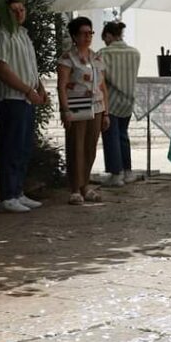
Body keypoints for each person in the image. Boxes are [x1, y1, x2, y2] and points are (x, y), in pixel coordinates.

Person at [0, 0, 48, 213]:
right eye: (14, 10)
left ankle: (18, 191)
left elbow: (30, 67)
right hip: (12, 99)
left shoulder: (24, 35)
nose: (19, 13)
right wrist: (26, 89)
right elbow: (1, 67)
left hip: (27, 98)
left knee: (23, 148)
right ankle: (8, 195)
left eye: (22, 9)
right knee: (12, 147)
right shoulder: (1, 35)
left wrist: (39, 87)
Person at [57, 17, 110, 205]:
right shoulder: (67, 58)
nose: (87, 37)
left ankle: (85, 185)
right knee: (76, 147)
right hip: (77, 106)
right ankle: (74, 188)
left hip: (96, 107)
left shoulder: (96, 57)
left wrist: (106, 112)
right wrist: (65, 110)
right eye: (83, 33)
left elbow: (103, 86)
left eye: (90, 33)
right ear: (74, 36)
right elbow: (62, 85)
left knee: (90, 147)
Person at [98, 21, 141, 187]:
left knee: (111, 137)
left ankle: (116, 174)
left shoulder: (103, 53)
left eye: (105, 38)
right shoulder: (135, 53)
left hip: (111, 100)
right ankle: (127, 171)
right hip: (128, 100)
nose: (105, 42)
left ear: (108, 35)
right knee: (123, 136)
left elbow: (100, 79)